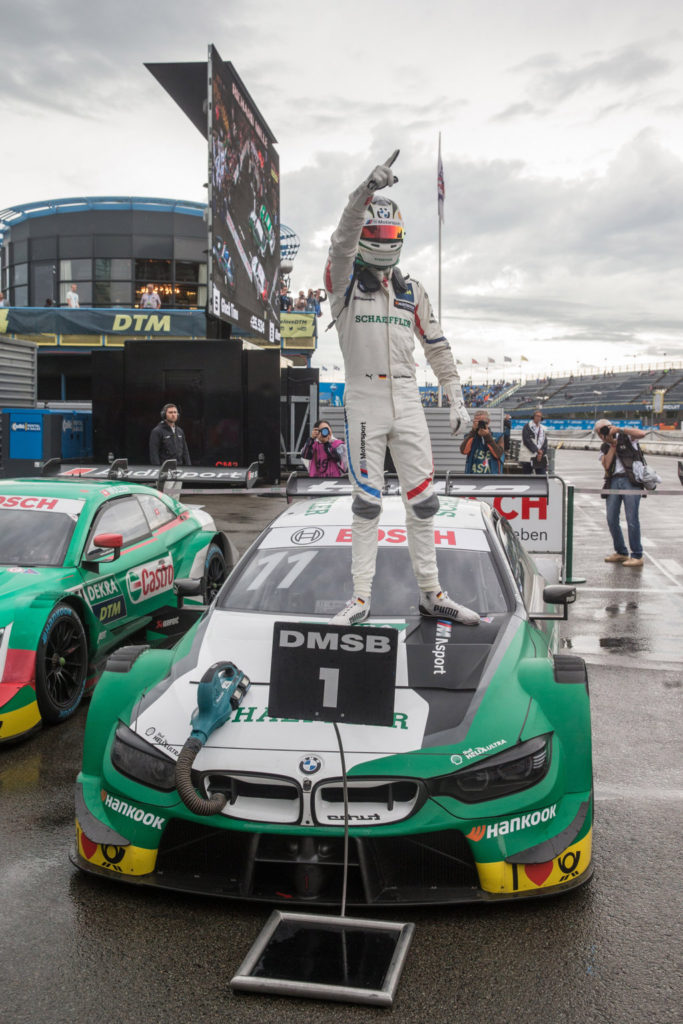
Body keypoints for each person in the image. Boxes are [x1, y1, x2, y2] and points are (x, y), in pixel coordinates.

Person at [324, 153, 478, 627]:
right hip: (364, 398)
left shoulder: (412, 291)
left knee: (424, 500)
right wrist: (362, 194)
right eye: (377, 235)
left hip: (409, 399)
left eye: (392, 236)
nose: (385, 243)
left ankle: (431, 593)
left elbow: (437, 345)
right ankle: (361, 598)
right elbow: (341, 241)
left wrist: (454, 394)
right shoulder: (343, 282)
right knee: (367, 502)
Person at [596, 418, 647, 567]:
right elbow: (606, 465)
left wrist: (619, 430)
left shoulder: (626, 436)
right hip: (613, 481)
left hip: (630, 480)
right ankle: (621, 552)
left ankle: (637, 555)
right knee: (611, 518)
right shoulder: (605, 446)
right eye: (600, 432)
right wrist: (612, 445)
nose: (602, 434)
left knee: (632, 519)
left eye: (605, 429)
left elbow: (642, 433)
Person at [522, 409, 548, 474]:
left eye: (540, 416)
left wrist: (541, 452)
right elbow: (526, 440)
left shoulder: (543, 428)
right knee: (527, 476)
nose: (538, 418)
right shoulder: (527, 426)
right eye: (537, 416)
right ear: (533, 416)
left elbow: (545, 442)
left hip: (540, 456)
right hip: (528, 456)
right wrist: (537, 450)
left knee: (541, 477)